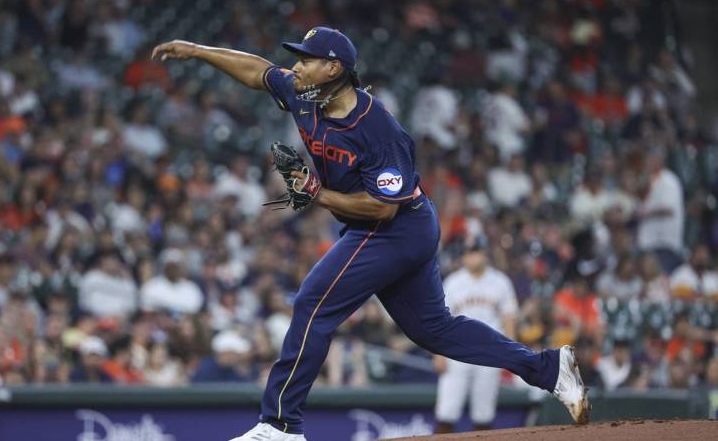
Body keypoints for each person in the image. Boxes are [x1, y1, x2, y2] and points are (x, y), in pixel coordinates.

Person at [153, 26, 589, 441]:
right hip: (381, 226)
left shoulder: (378, 129)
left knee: (312, 301)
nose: (296, 67)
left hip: (397, 227)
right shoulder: (304, 94)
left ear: (334, 68)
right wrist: (198, 51)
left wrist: (316, 194)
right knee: (433, 330)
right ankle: (549, 369)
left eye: (306, 60)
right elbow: (258, 72)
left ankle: (281, 425)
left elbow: (382, 208)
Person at [432, 236, 518, 433]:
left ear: (485, 254)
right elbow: (439, 321)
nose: (473, 257)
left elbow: (509, 319)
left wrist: (512, 354)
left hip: (490, 352)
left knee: (484, 413)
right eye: (469, 252)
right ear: (463, 256)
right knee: (447, 410)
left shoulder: (500, 281)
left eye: (477, 251)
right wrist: (438, 354)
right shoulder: (453, 282)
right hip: (456, 352)